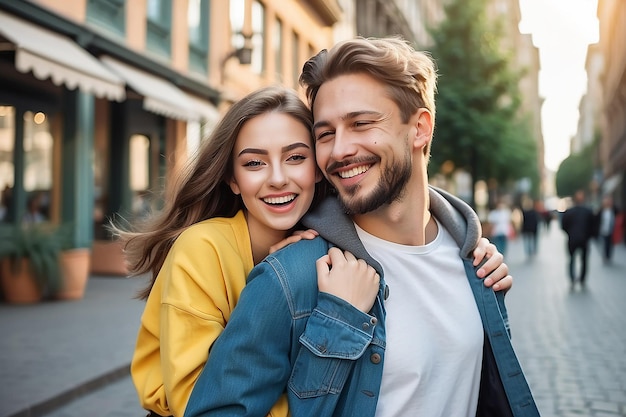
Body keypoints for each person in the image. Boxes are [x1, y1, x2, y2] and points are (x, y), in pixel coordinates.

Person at [185, 37, 537, 417]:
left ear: (419, 128)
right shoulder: (291, 277)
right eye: (325, 134)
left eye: (361, 123)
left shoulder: (475, 262)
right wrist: (337, 324)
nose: (339, 150)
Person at [113, 85, 509, 417]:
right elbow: (198, 402)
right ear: (232, 180)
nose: (278, 179)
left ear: (318, 167)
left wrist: (463, 241)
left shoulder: (324, 240)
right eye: (254, 164)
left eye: (296, 157)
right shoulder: (202, 249)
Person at [561, 189, 596, 286]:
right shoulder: (588, 211)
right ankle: (582, 279)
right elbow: (593, 226)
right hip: (584, 239)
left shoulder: (569, 212)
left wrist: (569, 233)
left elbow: (563, 226)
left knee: (572, 259)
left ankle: (572, 278)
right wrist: (589, 235)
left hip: (572, 239)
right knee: (583, 260)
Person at [596, 195, 617, 264]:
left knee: (609, 244)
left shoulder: (613, 210)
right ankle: (604, 256)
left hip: (611, 230)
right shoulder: (601, 210)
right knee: (603, 244)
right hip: (602, 230)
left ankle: (608, 256)